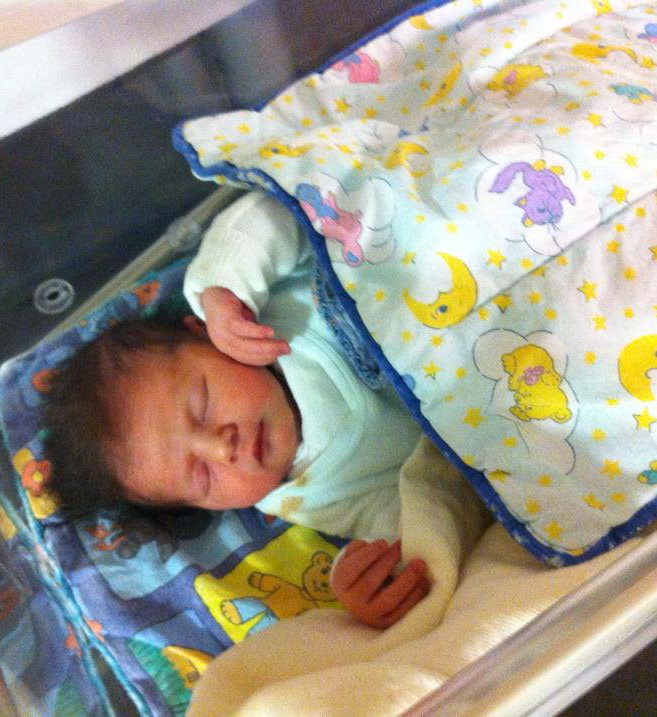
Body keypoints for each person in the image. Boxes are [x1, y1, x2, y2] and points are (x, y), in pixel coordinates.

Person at [44, 191, 486, 628]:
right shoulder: (314, 494)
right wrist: (373, 581)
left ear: (201, 333)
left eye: (202, 403)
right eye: (203, 476)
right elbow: (423, 510)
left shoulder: (258, 311)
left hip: (450, 251)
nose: (222, 448)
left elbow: (280, 210)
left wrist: (223, 293)